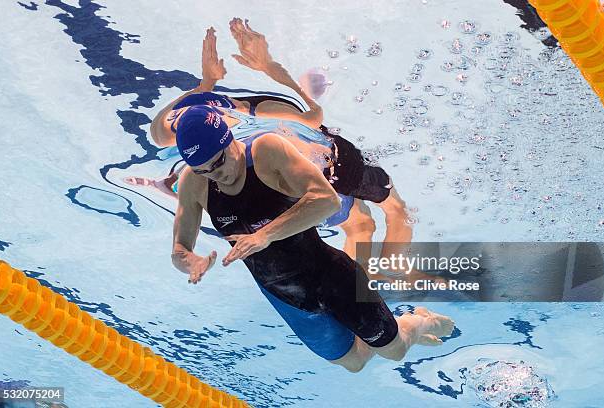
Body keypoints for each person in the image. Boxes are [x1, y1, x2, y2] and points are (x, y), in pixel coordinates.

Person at [171, 102, 454, 372]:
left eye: (218, 163)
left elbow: (326, 200)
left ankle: (418, 322)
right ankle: (397, 333)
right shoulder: (193, 182)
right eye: (203, 171)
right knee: (354, 363)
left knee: (395, 352)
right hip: (285, 297)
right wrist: (190, 262)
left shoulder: (267, 151)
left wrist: (264, 236)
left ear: (228, 138)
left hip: (330, 277)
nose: (215, 175)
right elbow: (180, 248)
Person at [149, 19, 423, 280]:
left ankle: (382, 277)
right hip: (314, 178)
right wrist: (225, 77)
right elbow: (313, 115)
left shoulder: (247, 113)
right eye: (203, 169)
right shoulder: (204, 123)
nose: (213, 174)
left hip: (328, 164)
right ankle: (376, 283)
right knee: (369, 219)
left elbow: (312, 118)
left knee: (369, 219)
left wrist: (254, 69)